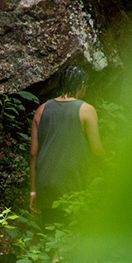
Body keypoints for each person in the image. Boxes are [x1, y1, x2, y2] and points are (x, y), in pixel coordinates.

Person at [29, 65, 105, 221]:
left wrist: (33, 192)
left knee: (50, 234)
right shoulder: (86, 110)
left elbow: (32, 154)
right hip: (73, 183)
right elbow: (97, 151)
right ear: (82, 85)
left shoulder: (41, 110)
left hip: (45, 185)